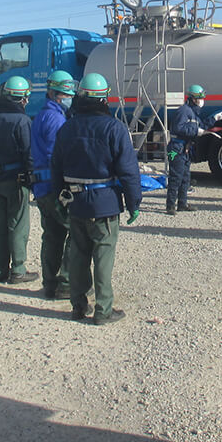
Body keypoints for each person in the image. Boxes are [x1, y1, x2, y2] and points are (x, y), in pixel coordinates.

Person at [51, 73, 142, 325]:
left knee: (79, 256)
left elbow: (56, 167)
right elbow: (128, 170)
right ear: (105, 98)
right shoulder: (114, 128)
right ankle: (103, 310)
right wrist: (134, 203)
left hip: (76, 203)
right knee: (103, 256)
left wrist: (59, 199)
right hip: (105, 204)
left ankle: (78, 306)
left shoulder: (66, 128)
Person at [0, 75, 37, 284]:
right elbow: (29, 153)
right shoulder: (22, 121)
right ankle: (18, 269)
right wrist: (32, 180)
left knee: (0, 226)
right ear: (22, 99)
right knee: (18, 225)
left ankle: (0, 269)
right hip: (16, 180)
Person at [31, 70, 76, 300]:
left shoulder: (41, 115)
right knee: (73, 232)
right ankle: (66, 283)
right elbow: (57, 156)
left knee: (51, 236)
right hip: (53, 186)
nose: (69, 98)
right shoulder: (57, 119)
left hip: (41, 186)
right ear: (58, 95)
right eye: (67, 94)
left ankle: (49, 284)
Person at [165, 84, 222, 215]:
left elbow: (200, 125)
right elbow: (178, 128)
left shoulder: (194, 113)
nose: (201, 101)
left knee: (185, 178)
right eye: (199, 98)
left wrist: (213, 119)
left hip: (185, 149)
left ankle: (182, 204)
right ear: (192, 98)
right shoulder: (183, 111)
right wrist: (196, 131)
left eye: (202, 98)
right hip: (176, 149)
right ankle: (170, 206)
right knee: (176, 177)